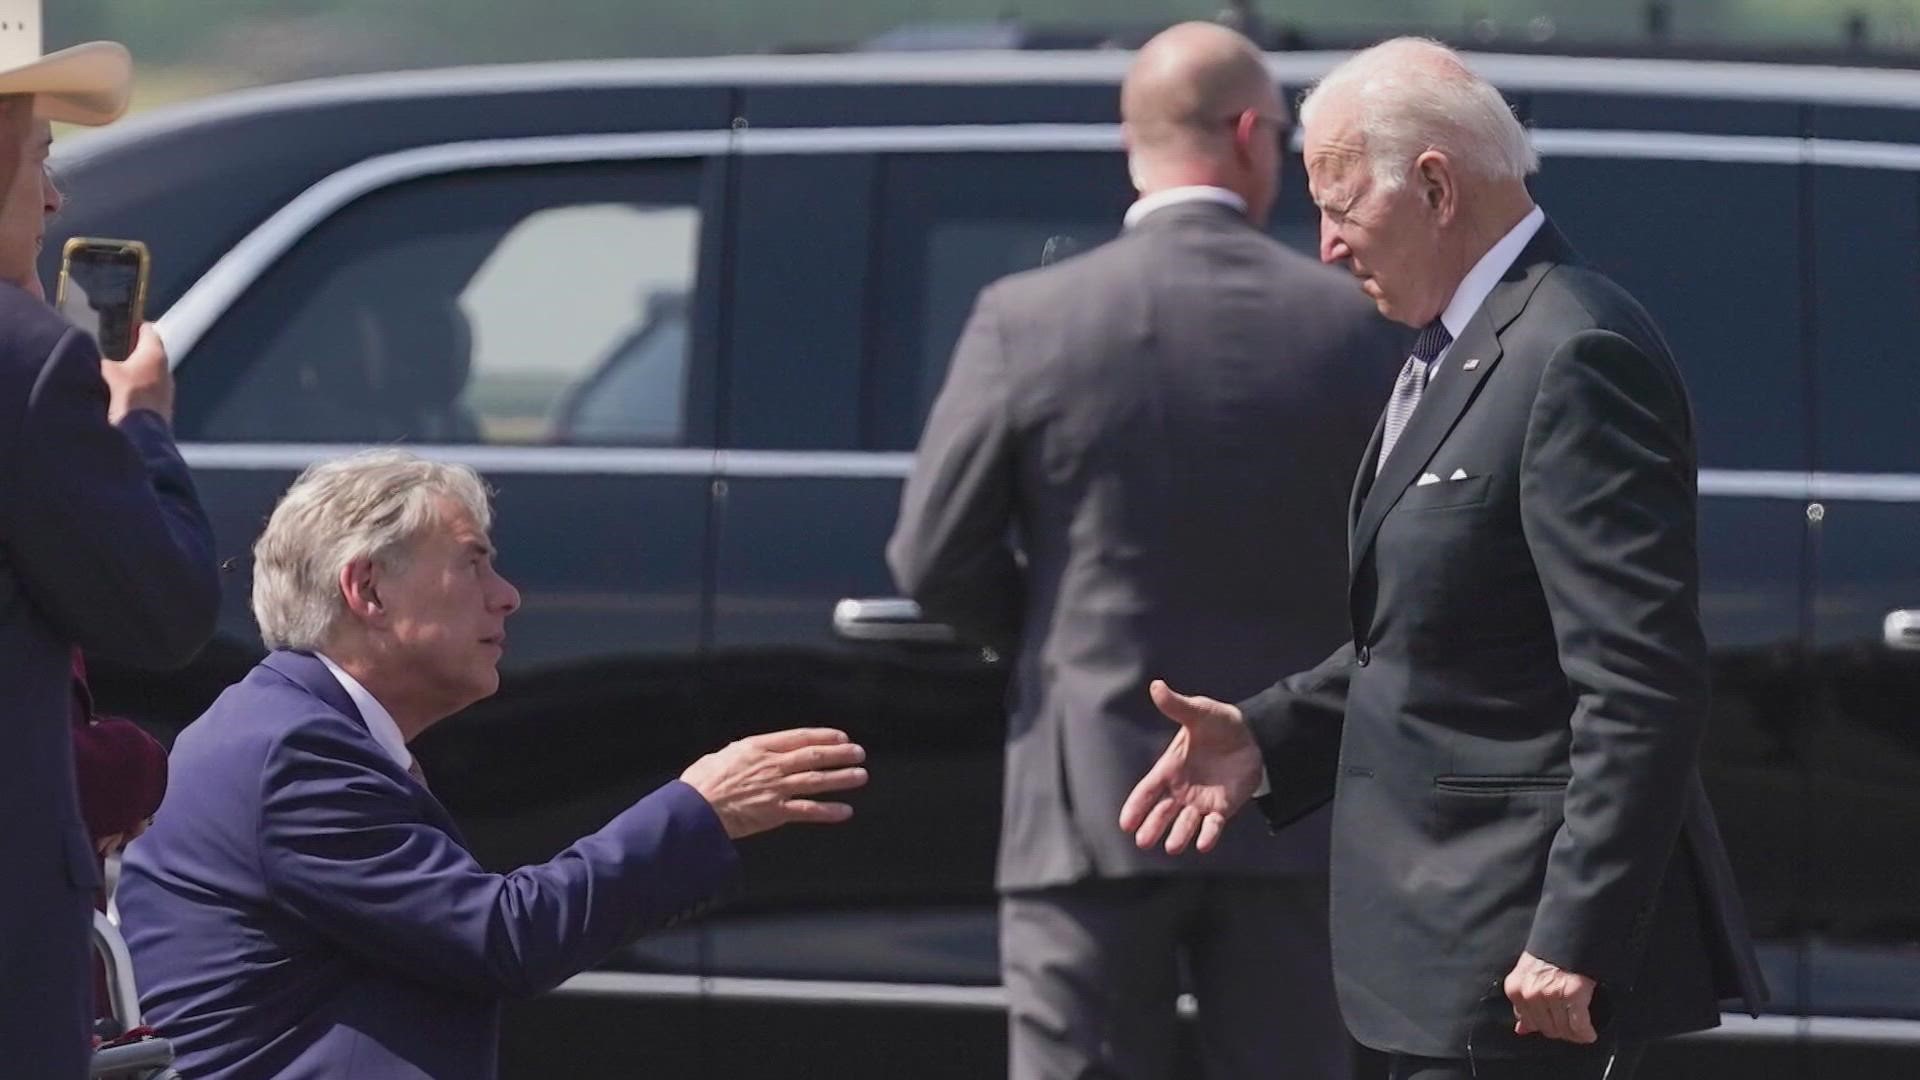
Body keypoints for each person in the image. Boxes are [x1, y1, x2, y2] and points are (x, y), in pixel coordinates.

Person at [1120, 38, 1770, 1080]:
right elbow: (1446, 634)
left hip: (1520, 968)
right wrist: (1266, 735)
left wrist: (1575, 934)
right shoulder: (1458, 345)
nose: (1325, 246)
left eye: (1341, 208)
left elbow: (1640, 684)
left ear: (1433, 186)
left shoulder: (1573, 352)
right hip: (1434, 960)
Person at [888, 22, 1405, 1079]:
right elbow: (1409, 557)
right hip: (1295, 802)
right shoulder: (1355, 325)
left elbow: (933, 552)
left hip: (1090, 793)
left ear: (1134, 140)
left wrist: (1048, 637)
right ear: (1253, 134)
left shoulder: (1029, 319)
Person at [117, 450, 870, 1080]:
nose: (506, 597)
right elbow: (503, 939)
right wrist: (701, 807)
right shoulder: (292, 753)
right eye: (473, 565)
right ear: (368, 589)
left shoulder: (302, 727)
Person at [0, 19, 222, 1076]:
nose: (51, 201)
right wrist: (138, 425)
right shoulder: (29, 364)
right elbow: (164, 605)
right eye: (39, 158)